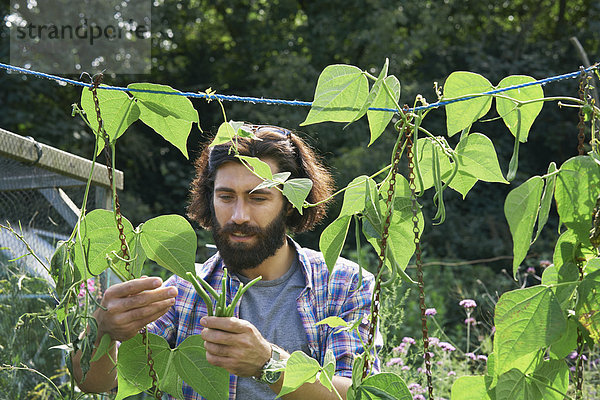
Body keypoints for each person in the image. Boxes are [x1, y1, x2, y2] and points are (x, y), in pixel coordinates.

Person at [73, 123, 380, 399]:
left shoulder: (344, 283)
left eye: (258, 198)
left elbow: (360, 394)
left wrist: (267, 363)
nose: (238, 216)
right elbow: (94, 383)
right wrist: (102, 330)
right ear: (210, 199)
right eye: (226, 197)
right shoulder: (184, 292)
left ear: (289, 204)